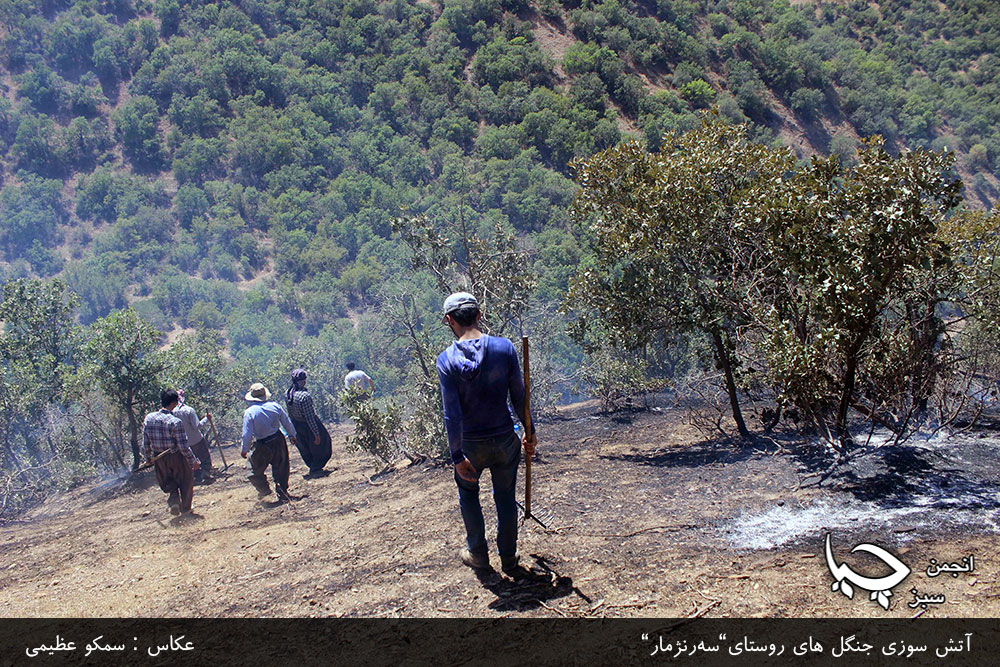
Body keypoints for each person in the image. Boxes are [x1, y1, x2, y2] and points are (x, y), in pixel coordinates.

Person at [436, 292, 536, 574]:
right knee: (505, 496)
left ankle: (478, 553)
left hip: (471, 446)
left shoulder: (446, 361)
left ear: (449, 320)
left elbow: (451, 414)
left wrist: (457, 456)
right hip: (505, 440)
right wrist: (530, 431)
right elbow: (519, 396)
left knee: (468, 494)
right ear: (479, 315)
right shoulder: (504, 349)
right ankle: (509, 558)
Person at [142, 389, 200, 516]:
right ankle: (185, 510)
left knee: (168, 481)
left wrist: (148, 458)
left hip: (159, 458)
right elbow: (183, 446)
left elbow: (145, 443)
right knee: (186, 481)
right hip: (176, 457)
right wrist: (193, 461)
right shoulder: (175, 422)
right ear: (174, 403)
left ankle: (174, 500)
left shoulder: (149, 418)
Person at [241, 382, 297, 502]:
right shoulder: (275, 406)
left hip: (262, 444)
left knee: (253, 470)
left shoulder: (250, 412)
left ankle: (264, 490)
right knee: (281, 467)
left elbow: (247, 433)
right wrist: (292, 435)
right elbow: (286, 422)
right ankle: (282, 492)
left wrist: (245, 449)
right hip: (278, 440)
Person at [285, 368, 332, 478]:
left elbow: (290, 413)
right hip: (306, 425)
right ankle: (316, 467)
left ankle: (313, 465)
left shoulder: (288, 393)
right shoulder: (304, 396)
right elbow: (310, 417)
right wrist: (316, 433)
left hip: (296, 424)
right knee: (322, 443)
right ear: (303, 381)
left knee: (305, 447)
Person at [173, 389, 212, 483]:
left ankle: (195, 477)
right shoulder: (189, 410)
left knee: (190, 460)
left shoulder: (172, 412)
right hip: (196, 440)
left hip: (183, 443)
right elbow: (197, 426)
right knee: (204, 457)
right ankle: (205, 473)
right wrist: (207, 419)